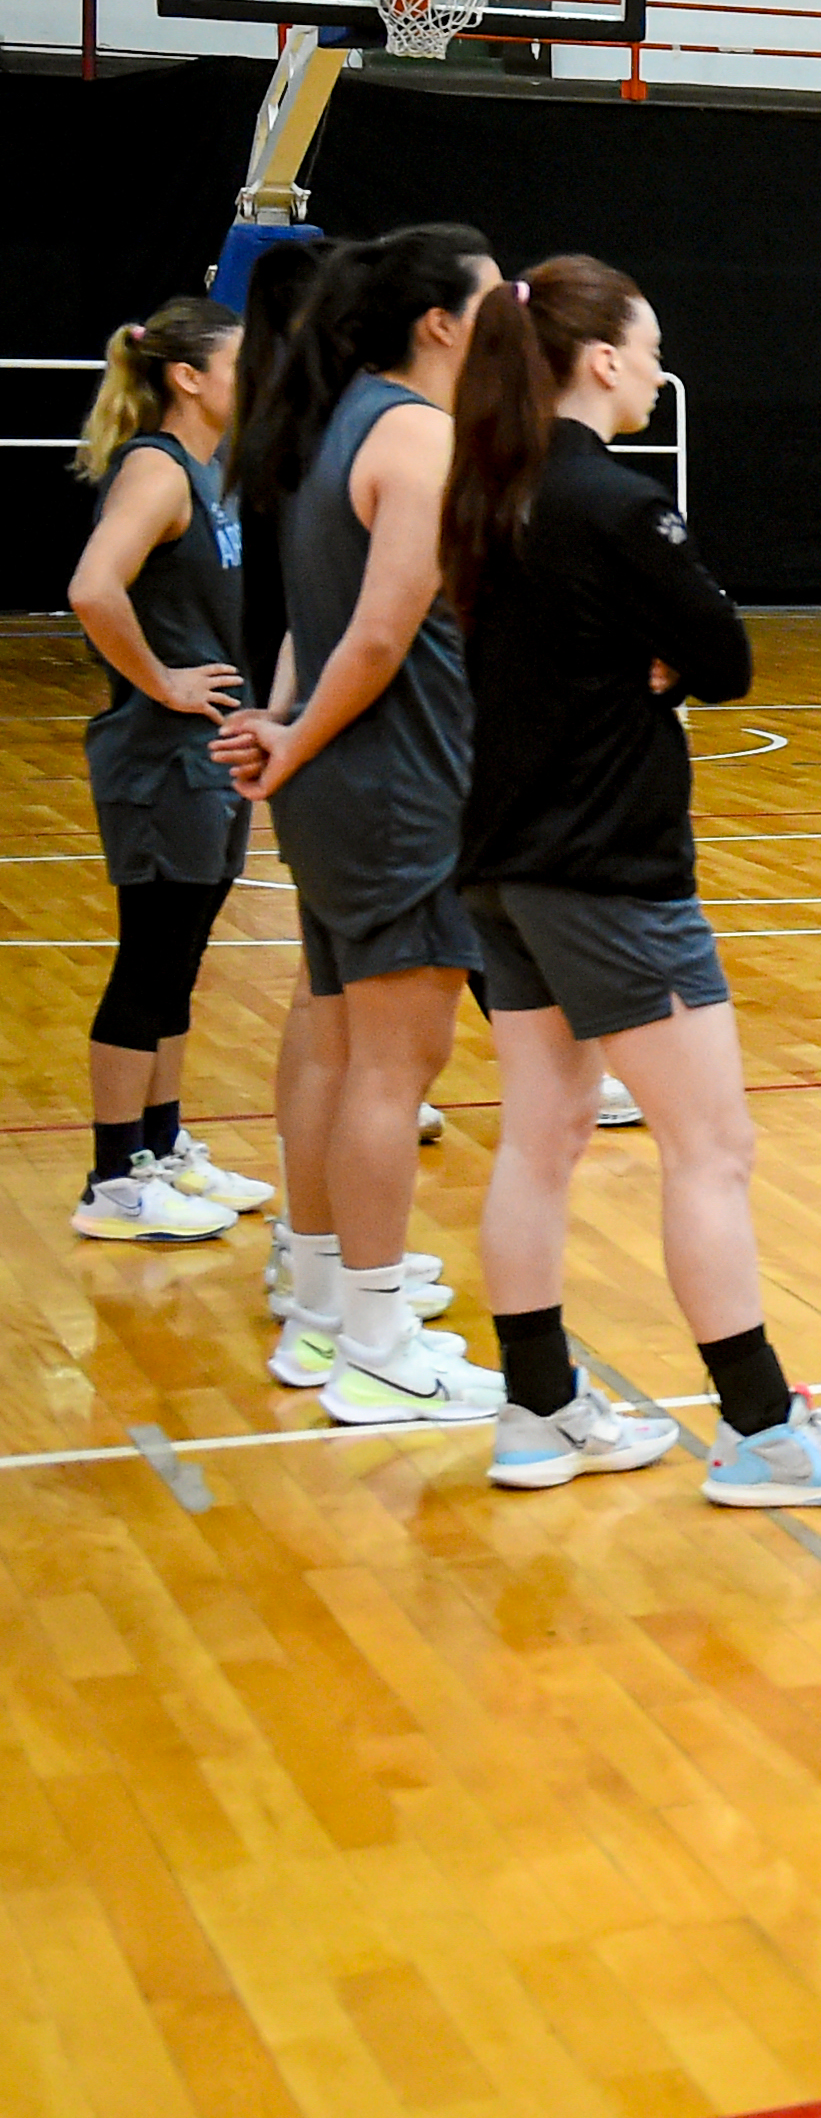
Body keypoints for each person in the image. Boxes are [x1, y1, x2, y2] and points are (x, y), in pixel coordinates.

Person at [443, 257, 821, 1506]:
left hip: (499, 860)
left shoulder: (484, 491)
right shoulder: (612, 501)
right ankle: (763, 1428)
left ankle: (537, 1409)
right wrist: (654, 661)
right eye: (650, 344)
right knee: (710, 1146)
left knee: (537, 1139)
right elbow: (727, 655)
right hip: (608, 868)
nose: (660, 367)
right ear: (601, 360)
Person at [221, 225, 510, 1427]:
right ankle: (380, 1340)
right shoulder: (420, 436)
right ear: (441, 322)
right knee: (398, 1063)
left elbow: (315, 620)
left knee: (336, 1040)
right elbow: (381, 632)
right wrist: (296, 731)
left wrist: (287, 722)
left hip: (341, 783)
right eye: (497, 297)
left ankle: (330, 1295)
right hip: (395, 785)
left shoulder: (338, 422)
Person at [61, 297, 273, 1244]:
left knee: (180, 963)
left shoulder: (214, 469)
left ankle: (160, 1143)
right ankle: (112, 1179)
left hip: (209, 758)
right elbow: (91, 587)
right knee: (148, 961)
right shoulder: (157, 467)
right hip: (160, 760)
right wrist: (162, 682)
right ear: (188, 376)